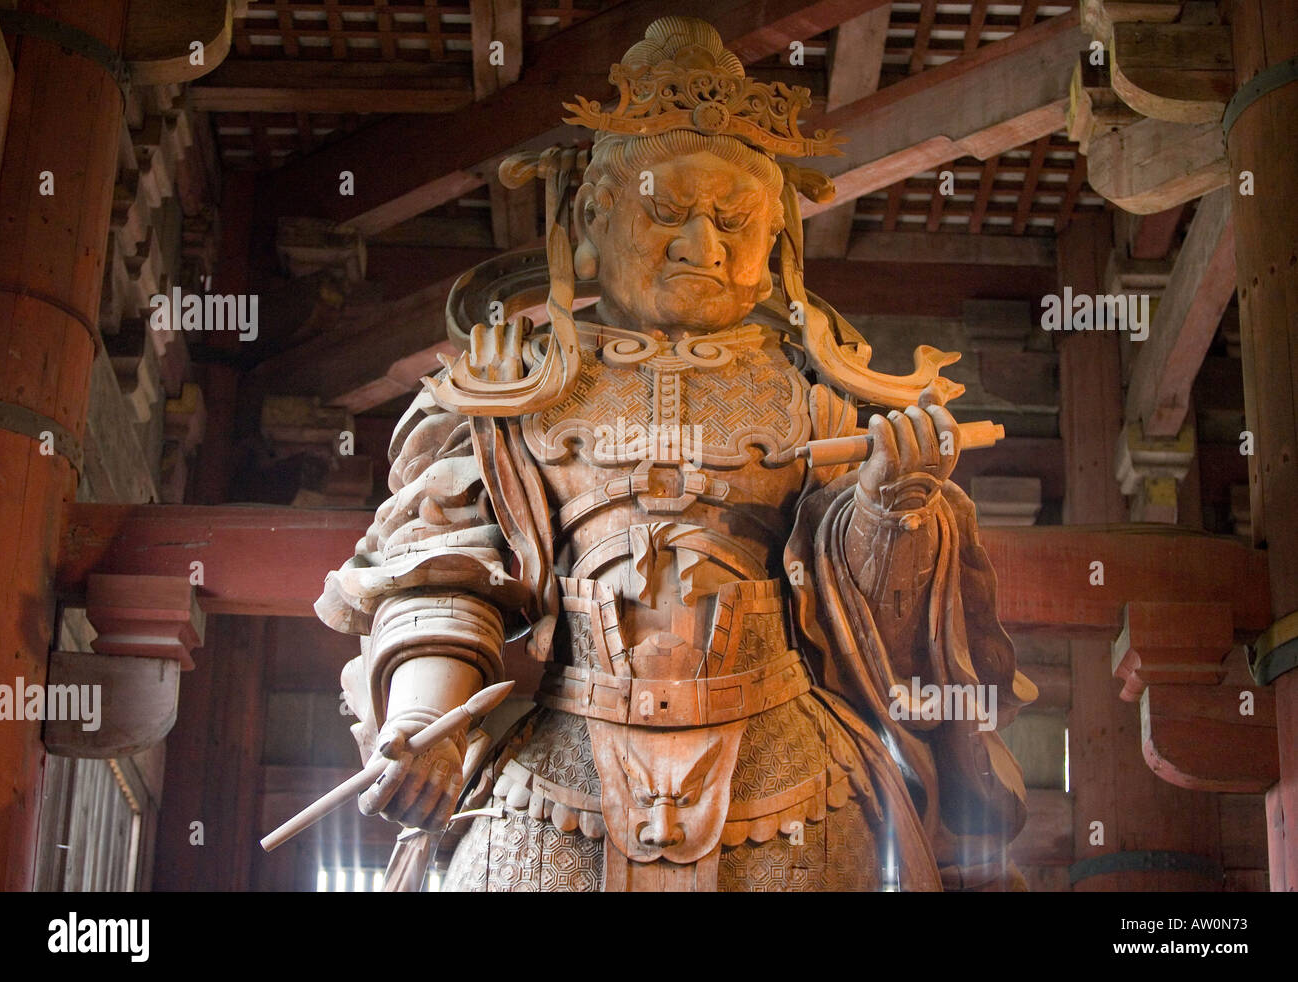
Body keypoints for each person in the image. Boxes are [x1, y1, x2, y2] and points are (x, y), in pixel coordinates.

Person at [315, 16, 1035, 892]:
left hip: (790, 759)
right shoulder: (507, 387)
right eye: (667, 210)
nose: (704, 246)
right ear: (591, 214)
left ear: (775, 248)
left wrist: (896, 508)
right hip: (558, 767)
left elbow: (868, 621)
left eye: (736, 223)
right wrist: (426, 720)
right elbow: (441, 562)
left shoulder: (821, 389)